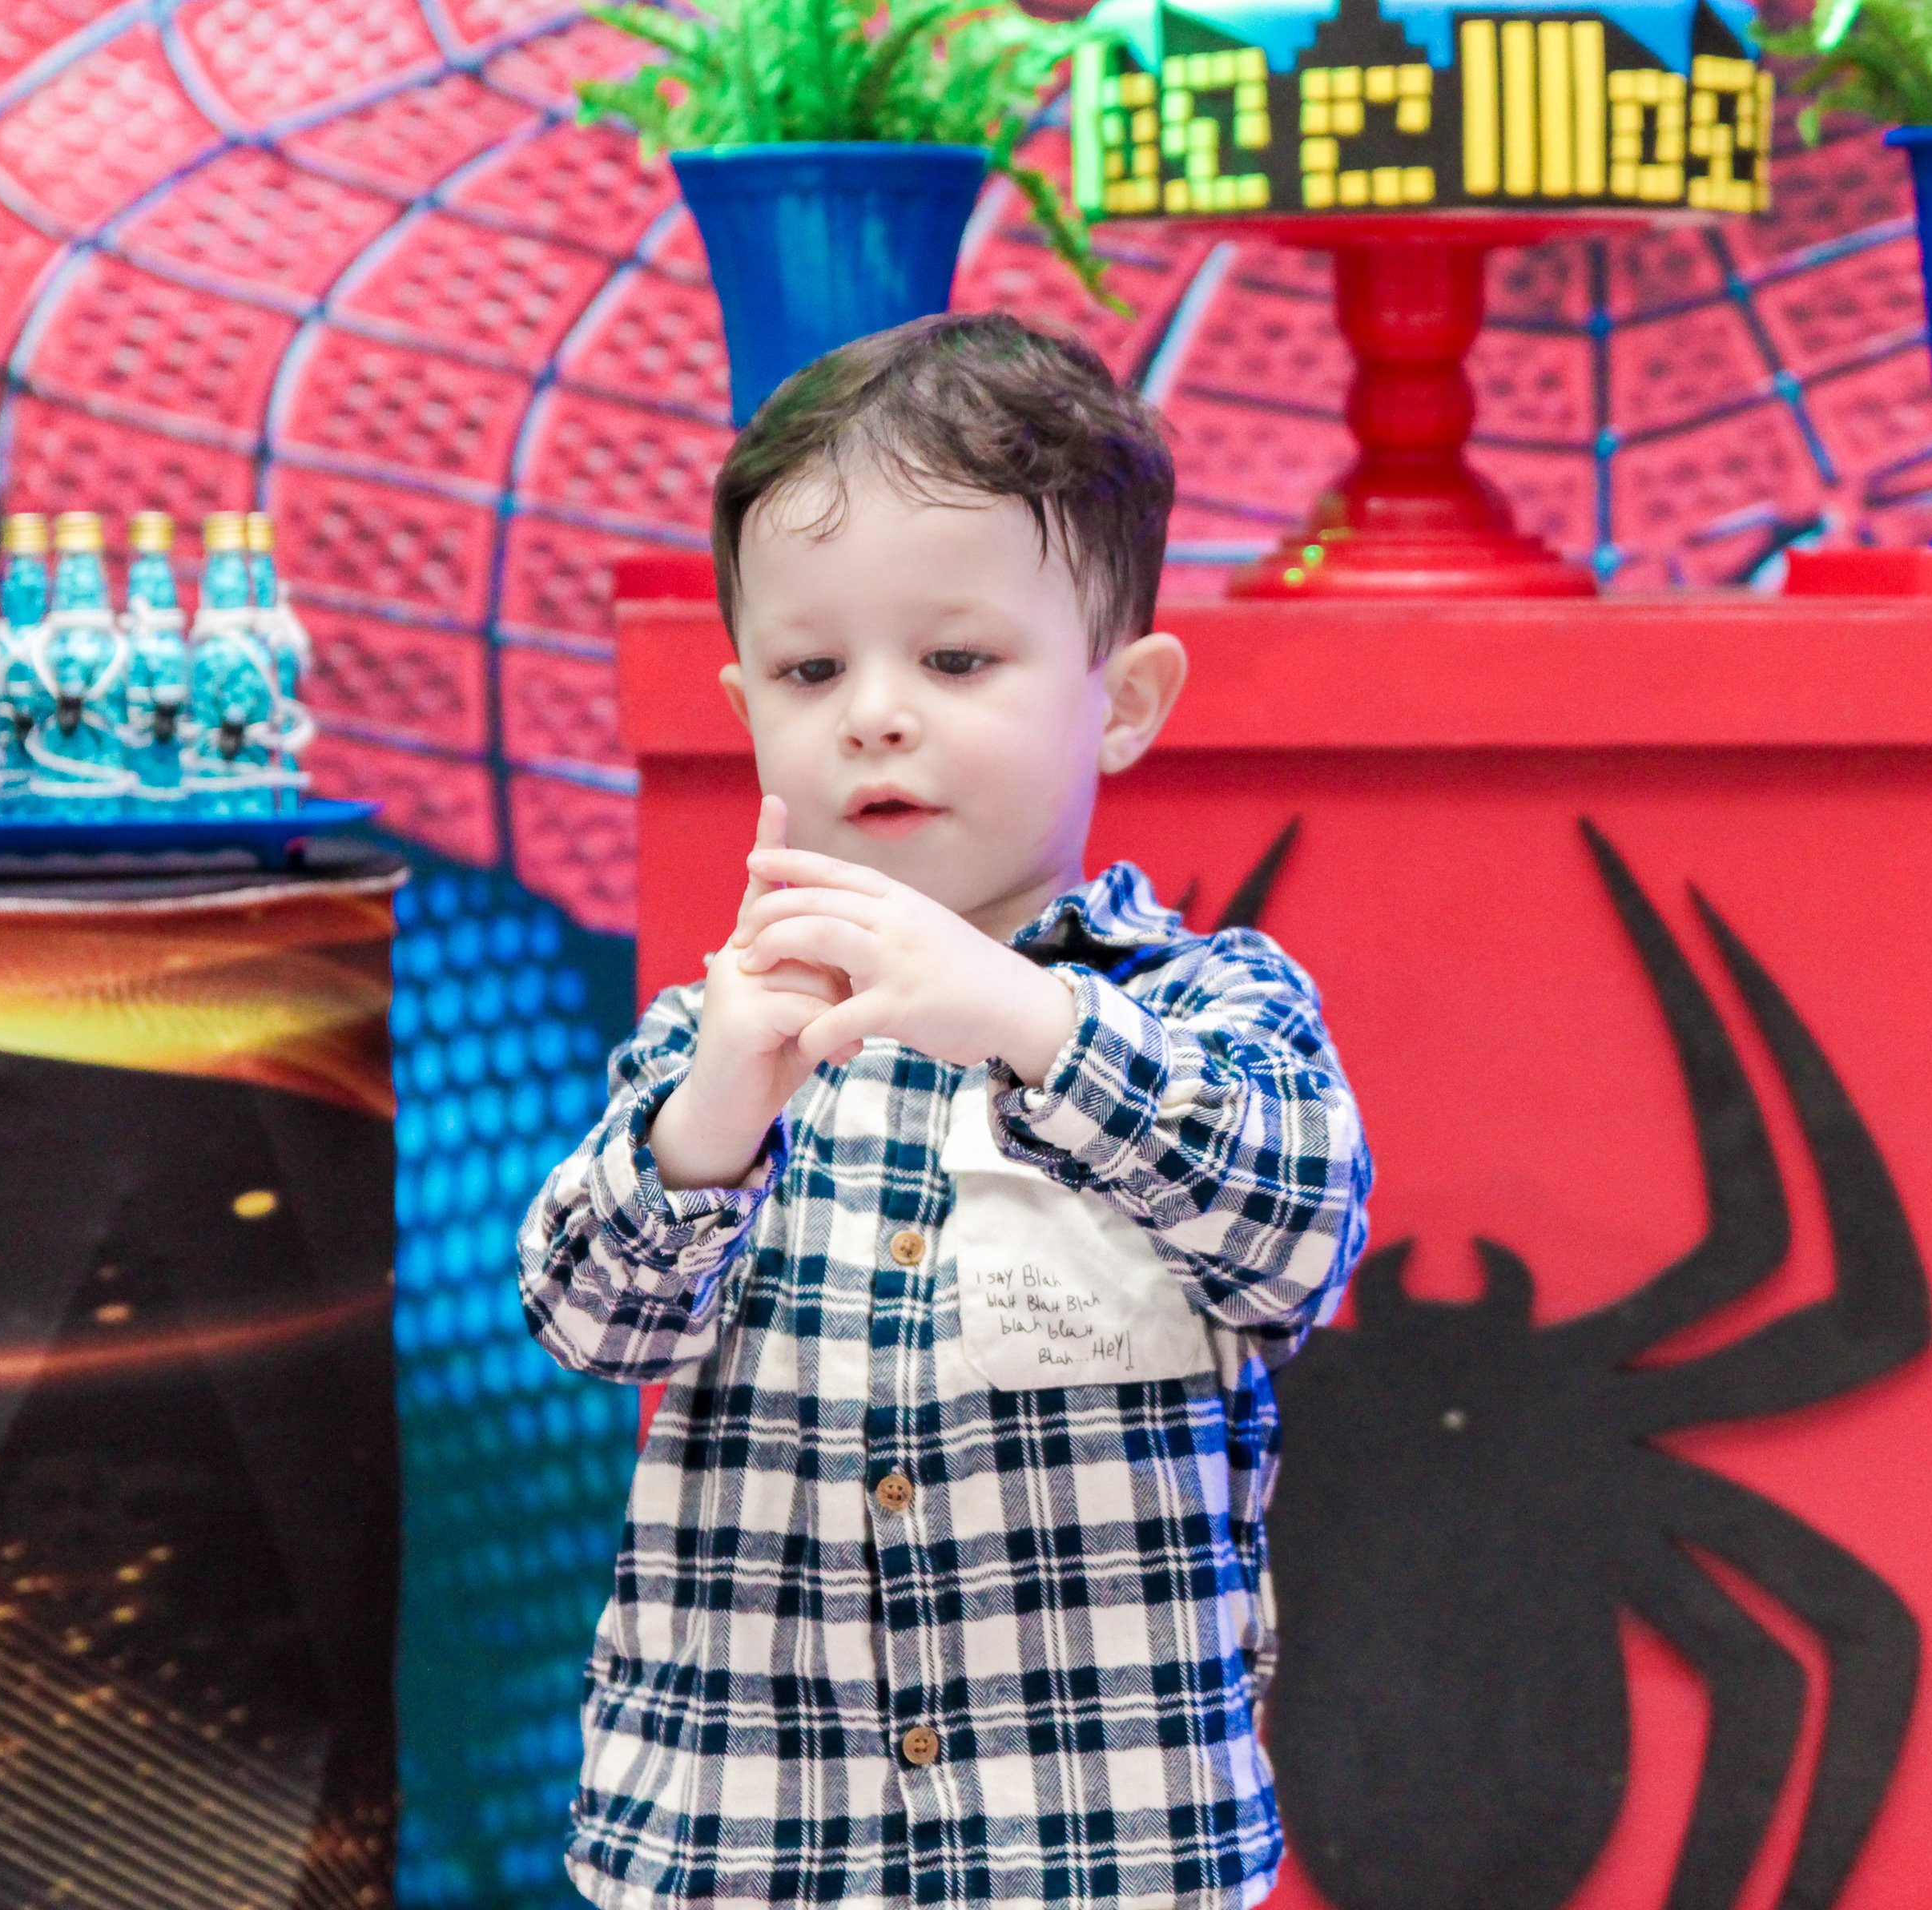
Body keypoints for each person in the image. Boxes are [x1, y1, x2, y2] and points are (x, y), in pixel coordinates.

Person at [519, 311, 1373, 1910]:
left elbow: (1299, 1234)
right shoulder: (721, 1028)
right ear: (746, 701)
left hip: (1096, 1844)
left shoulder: (1207, 1007)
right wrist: (714, 1110)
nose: (878, 713)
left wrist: (1027, 1022)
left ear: (1123, 701)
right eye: (811, 667)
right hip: (745, 1835)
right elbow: (586, 1316)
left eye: (957, 658)